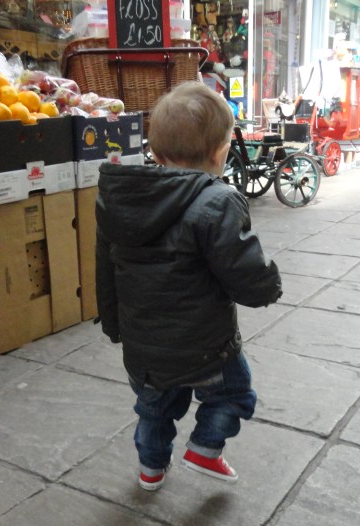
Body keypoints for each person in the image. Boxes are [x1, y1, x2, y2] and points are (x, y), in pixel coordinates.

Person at [95, 81, 283, 491]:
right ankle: (205, 447)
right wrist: (267, 287)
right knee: (232, 394)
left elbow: (105, 272)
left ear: (156, 152)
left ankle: (150, 469)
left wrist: (112, 324)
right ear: (220, 152)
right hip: (207, 347)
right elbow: (243, 270)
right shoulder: (217, 201)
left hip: (144, 349)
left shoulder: (121, 201)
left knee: (154, 410)